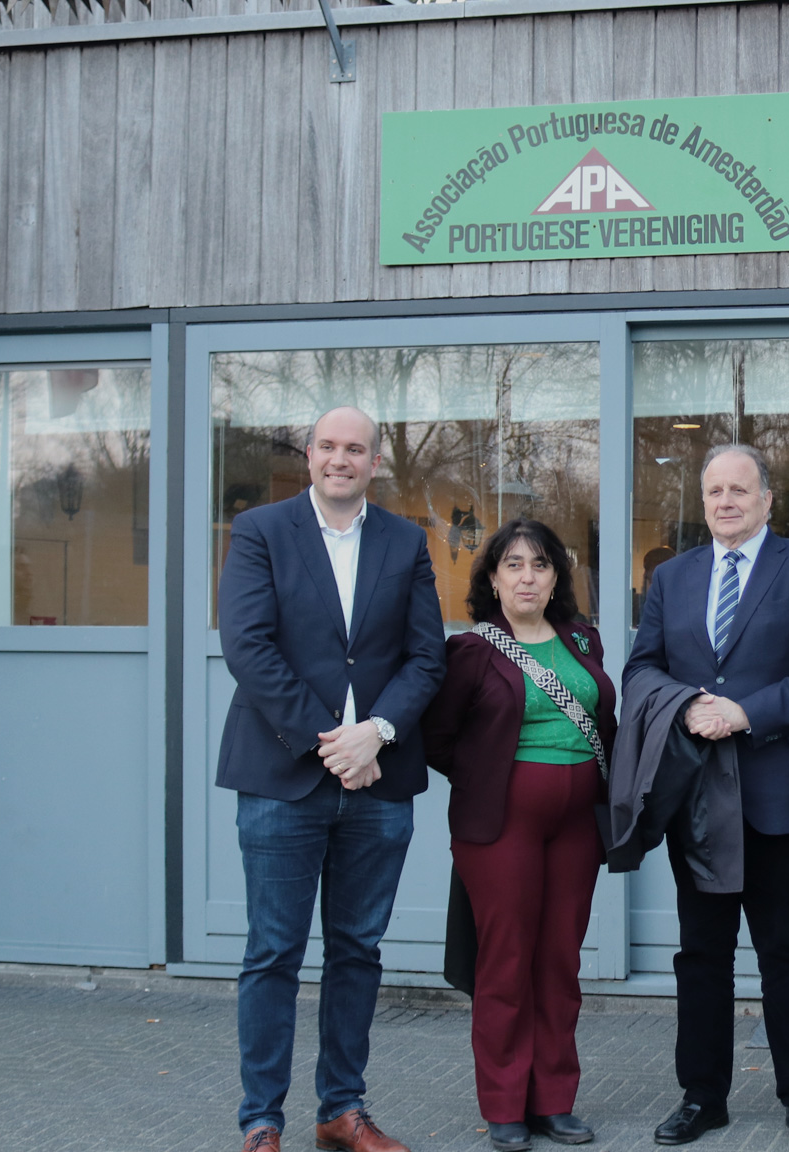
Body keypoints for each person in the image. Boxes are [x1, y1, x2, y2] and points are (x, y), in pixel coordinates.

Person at [215, 406, 447, 1152]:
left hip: (378, 783)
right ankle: (261, 1120)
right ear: (309, 454)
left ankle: (340, 1109)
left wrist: (375, 734)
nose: (340, 458)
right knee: (273, 951)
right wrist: (332, 742)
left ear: (375, 461)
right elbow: (248, 646)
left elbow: (426, 658)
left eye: (355, 448)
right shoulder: (261, 532)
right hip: (284, 777)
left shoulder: (406, 541)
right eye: (327, 446)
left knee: (357, 951)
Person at [622, 443, 789, 1149]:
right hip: (698, 795)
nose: (725, 502)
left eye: (739, 490)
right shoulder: (673, 576)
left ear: (767, 500)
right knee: (702, 952)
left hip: (780, 790)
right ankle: (703, 1096)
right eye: (715, 491)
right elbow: (641, 671)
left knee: (784, 946)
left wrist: (742, 711)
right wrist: (688, 703)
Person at [422, 520, 615, 1152]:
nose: (527, 576)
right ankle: (505, 1104)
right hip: (500, 825)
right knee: (505, 962)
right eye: (513, 565)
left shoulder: (583, 640)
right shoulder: (472, 650)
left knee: (559, 961)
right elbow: (440, 740)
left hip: (577, 825)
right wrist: (492, 780)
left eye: (539, 564)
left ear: (557, 576)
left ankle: (554, 1101)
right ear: (493, 580)